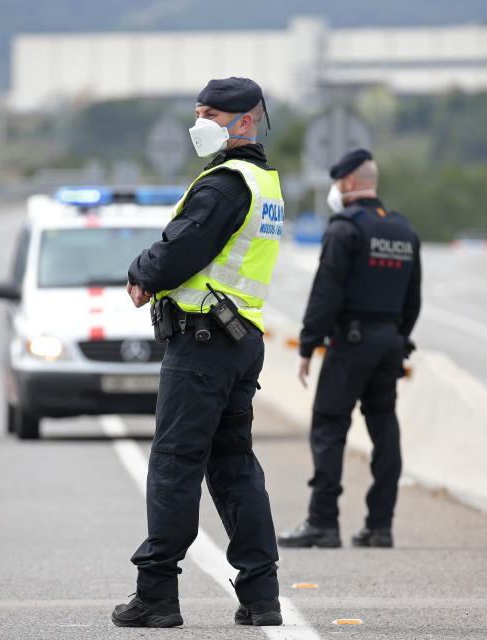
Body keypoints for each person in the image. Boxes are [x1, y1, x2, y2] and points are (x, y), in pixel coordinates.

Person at [112, 77, 284, 628]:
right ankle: (262, 596)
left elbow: (179, 248)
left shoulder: (225, 185)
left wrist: (142, 274)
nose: (200, 123)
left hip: (204, 344)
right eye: (198, 112)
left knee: (174, 464)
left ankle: (157, 594)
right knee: (234, 465)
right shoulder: (264, 185)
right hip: (240, 344)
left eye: (211, 113)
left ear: (245, 121)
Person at [277, 148, 421, 549]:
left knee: (328, 425)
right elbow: (414, 299)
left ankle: (323, 522)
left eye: (337, 184)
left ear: (349, 183)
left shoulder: (345, 229)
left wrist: (308, 346)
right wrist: (397, 337)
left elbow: (326, 294)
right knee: (384, 426)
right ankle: (380, 525)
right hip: (390, 342)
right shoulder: (403, 231)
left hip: (352, 342)